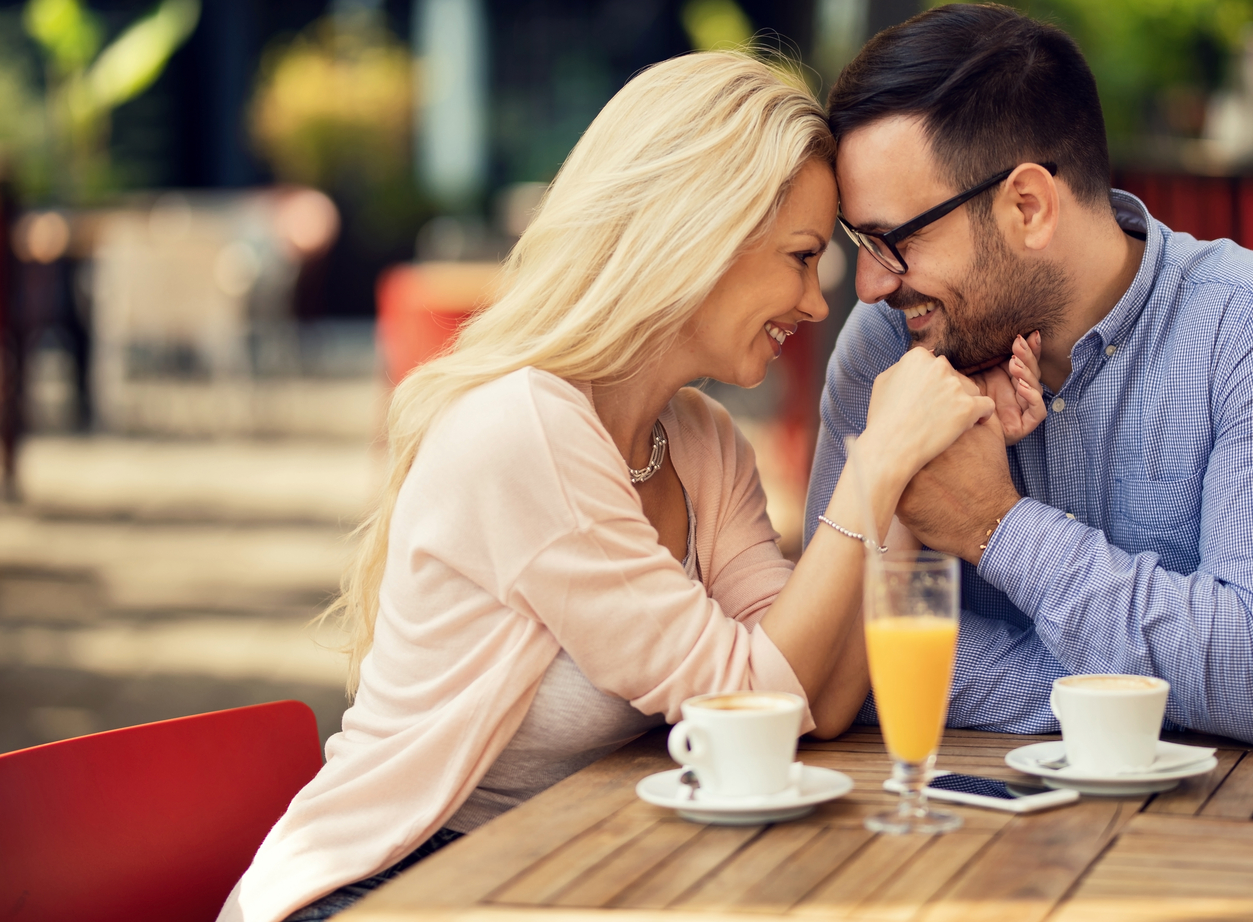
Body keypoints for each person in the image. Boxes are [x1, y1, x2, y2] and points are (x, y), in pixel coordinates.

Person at [218, 52, 995, 922]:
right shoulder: (528, 430)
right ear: (697, 235)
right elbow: (760, 695)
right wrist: (874, 463)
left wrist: (904, 481)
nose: (817, 304)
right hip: (383, 882)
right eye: (802, 256)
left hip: (548, 873)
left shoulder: (701, 442)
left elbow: (811, 700)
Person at [806, 3, 1253, 750]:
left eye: (893, 241)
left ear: (1029, 206)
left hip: (1210, 846)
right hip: (937, 837)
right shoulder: (891, 347)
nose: (872, 286)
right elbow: (837, 661)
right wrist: (1170, 698)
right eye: (859, 241)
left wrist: (996, 528)